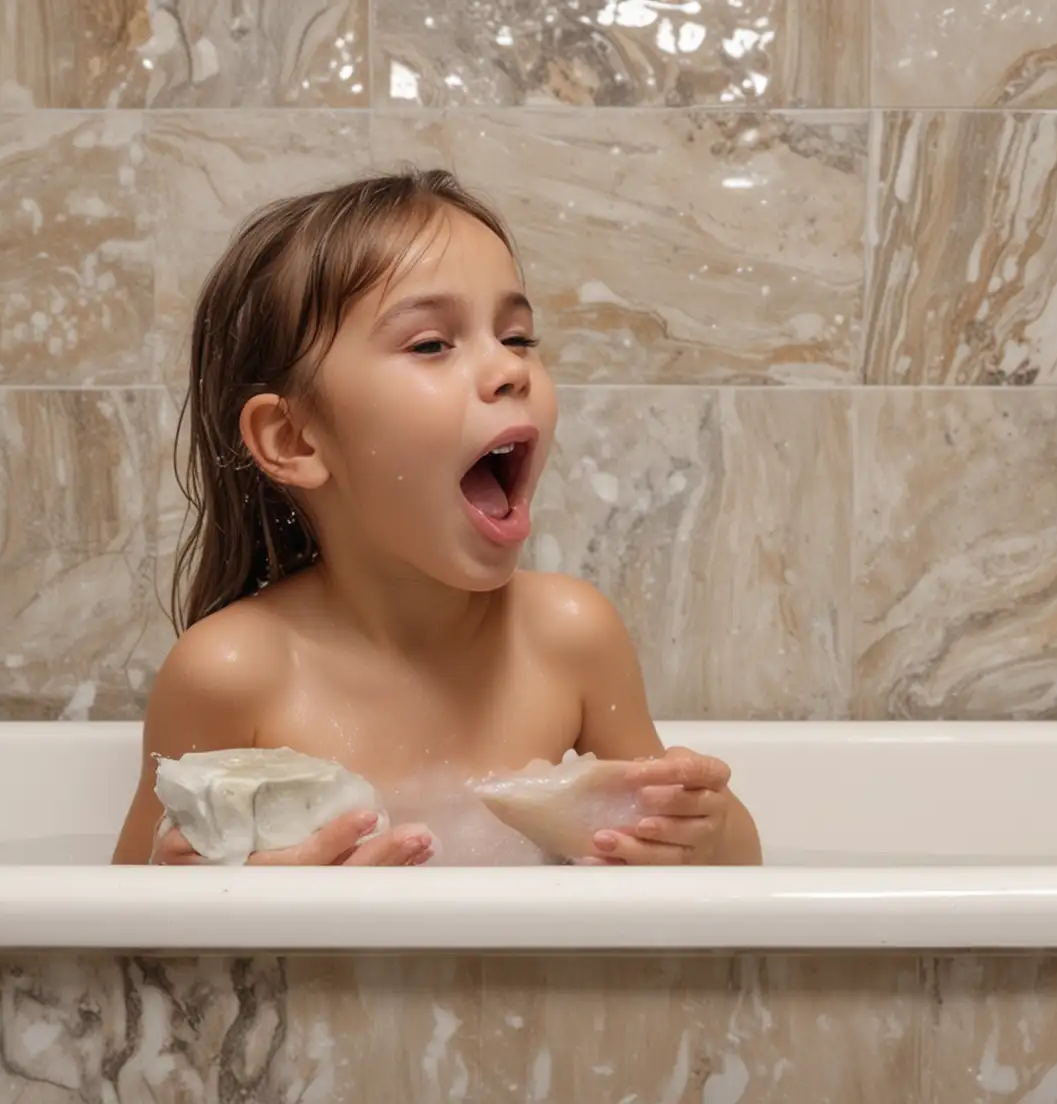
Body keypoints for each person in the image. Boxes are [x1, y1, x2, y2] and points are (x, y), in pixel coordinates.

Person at [109, 169, 762, 867]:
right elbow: (123, 925)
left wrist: (705, 832)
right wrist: (225, 899)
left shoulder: (567, 639)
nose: (510, 371)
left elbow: (731, 872)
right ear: (295, 439)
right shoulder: (235, 674)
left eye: (516, 337)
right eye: (431, 344)